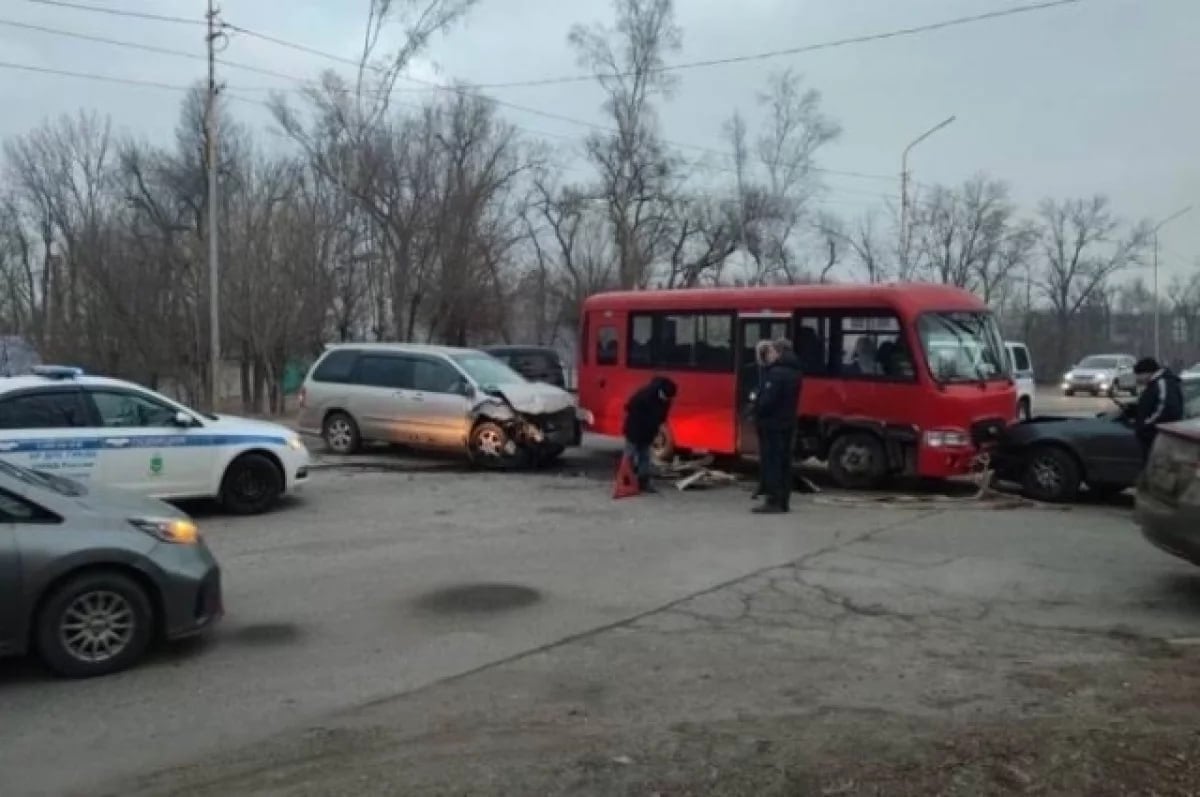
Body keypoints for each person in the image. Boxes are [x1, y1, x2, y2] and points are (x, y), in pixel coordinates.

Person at [753, 338, 803, 514]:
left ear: (779, 352)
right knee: (784, 462)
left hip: (771, 424)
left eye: (772, 351)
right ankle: (783, 501)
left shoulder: (776, 374)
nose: (769, 355)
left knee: (772, 462)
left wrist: (755, 406)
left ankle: (773, 500)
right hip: (788, 422)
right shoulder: (795, 372)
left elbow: (767, 401)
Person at [622, 375, 678, 493]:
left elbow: (662, 418)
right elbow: (630, 407)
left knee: (645, 457)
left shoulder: (666, 400)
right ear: (661, 391)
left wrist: (657, 431)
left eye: (668, 398)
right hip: (634, 429)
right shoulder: (644, 395)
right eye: (665, 397)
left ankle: (643, 482)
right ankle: (626, 481)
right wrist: (644, 425)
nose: (666, 400)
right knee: (630, 455)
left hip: (648, 431)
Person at [1132, 357, 1183, 459]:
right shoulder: (1155, 384)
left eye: (1138, 375)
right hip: (1155, 435)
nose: (1137, 379)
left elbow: (1166, 409)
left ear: (1147, 373)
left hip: (1157, 436)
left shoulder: (1162, 383)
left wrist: (1145, 425)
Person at [749, 340, 773, 500]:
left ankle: (765, 486)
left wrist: (755, 400)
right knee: (766, 455)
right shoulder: (765, 370)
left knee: (767, 455)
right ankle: (764, 485)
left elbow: (764, 394)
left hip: (767, 419)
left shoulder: (768, 371)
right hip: (766, 418)